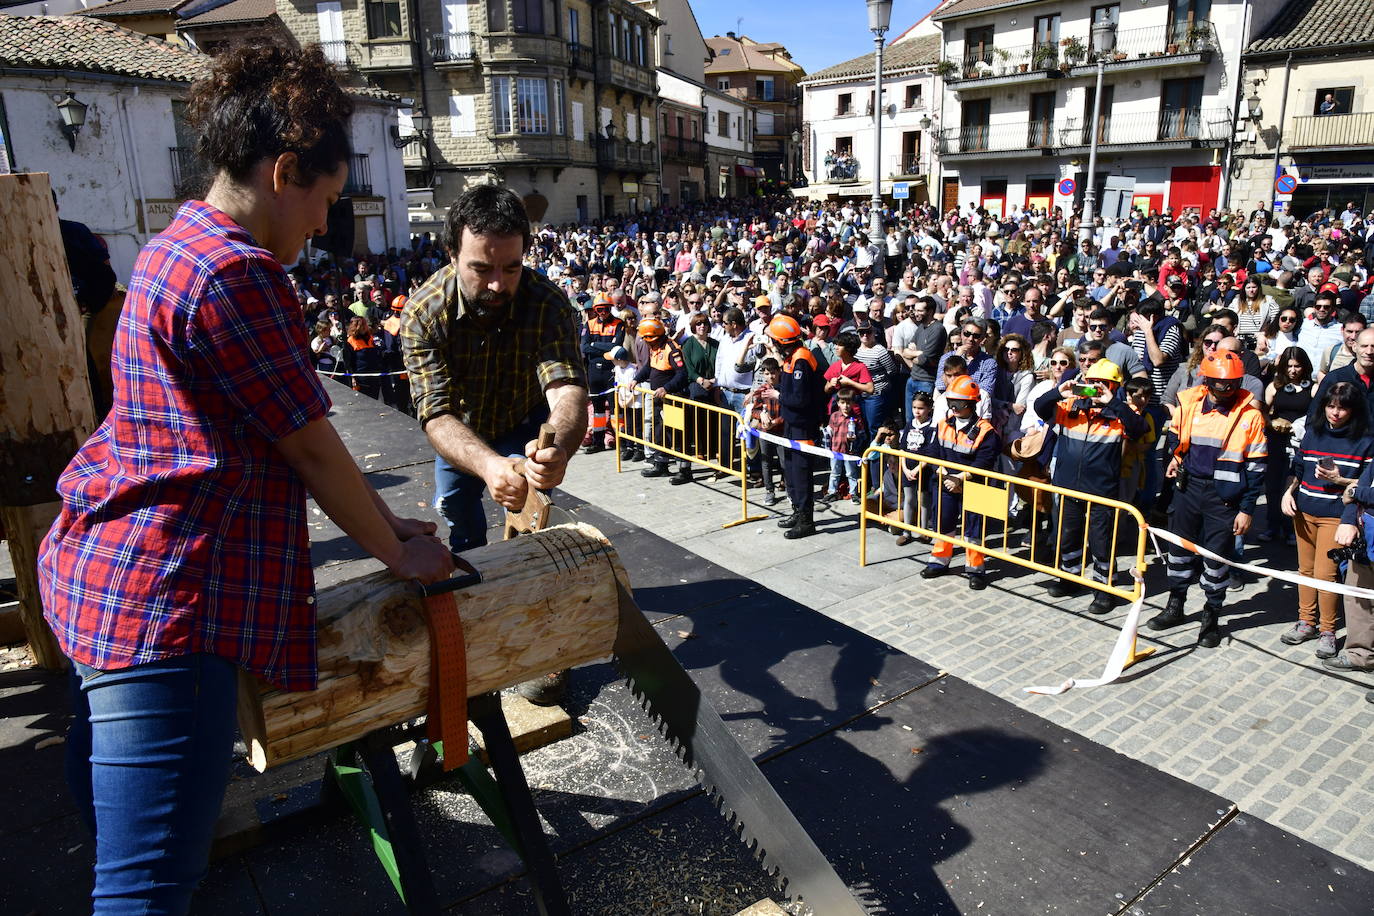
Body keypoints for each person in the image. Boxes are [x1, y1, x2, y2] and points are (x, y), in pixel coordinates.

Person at [36, 44, 454, 915]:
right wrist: (397, 555)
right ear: (284, 170)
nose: (321, 229)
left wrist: (388, 523)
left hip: (102, 581)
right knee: (146, 890)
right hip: (170, 603)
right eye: (324, 203)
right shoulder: (239, 270)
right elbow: (307, 446)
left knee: (123, 842)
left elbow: (288, 434)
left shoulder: (174, 243)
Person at [403, 184, 589, 554]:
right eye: (481, 268)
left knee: (532, 513)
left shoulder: (548, 303)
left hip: (523, 423)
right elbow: (436, 412)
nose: (497, 284)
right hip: (461, 428)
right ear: (452, 255)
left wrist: (560, 451)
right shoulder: (423, 314)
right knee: (456, 508)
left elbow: (567, 389)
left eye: (511, 267)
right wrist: (488, 466)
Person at [1147, 351, 1268, 647]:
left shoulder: (1249, 416)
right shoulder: (1189, 403)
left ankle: (1211, 615)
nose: (1228, 391)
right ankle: (1175, 604)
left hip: (1223, 498)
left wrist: (1247, 509)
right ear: (1209, 381)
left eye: (1234, 384)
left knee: (1215, 560)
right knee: (1178, 552)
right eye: (1222, 385)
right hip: (1187, 490)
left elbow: (1256, 468)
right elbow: (1175, 437)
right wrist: (1176, 457)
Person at [1034, 359, 1144, 614]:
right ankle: (1069, 579)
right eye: (1092, 384)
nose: (1095, 390)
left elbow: (1140, 429)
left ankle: (1105, 590)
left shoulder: (1122, 413)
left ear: (1114, 387)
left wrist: (1113, 403)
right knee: (1068, 536)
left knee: (1101, 541)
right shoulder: (1071, 405)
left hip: (1102, 491)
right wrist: (1057, 391)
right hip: (1068, 486)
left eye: (1103, 385)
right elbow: (1041, 409)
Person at [1280, 382, 1374, 658]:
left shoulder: (1366, 441)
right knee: (1305, 571)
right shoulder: (1313, 433)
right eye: (1330, 406)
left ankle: (1328, 630)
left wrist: (1339, 480)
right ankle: (1306, 622)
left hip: (1336, 516)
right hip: (1304, 511)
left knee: (1326, 575)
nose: (1335, 412)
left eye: (1342, 407)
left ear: (1354, 409)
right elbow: (1298, 468)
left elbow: (1365, 486)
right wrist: (1288, 492)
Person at [918, 374, 1001, 589]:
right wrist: (944, 472)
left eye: (958, 402)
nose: (953, 407)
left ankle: (976, 569)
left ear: (971, 403)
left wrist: (959, 478)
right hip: (945, 481)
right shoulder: (943, 424)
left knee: (975, 529)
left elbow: (984, 461)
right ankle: (938, 561)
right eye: (950, 402)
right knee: (943, 522)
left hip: (977, 485)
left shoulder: (987, 431)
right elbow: (932, 452)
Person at [771, 314, 825, 539]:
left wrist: (778, 394)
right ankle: (797, 510)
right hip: (792, 425)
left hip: (803, 426)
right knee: (791, 472)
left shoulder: (801, 359)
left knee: (801, 474)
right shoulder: (792, 357)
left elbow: (800, 399)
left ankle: (806, 520)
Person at [1263, 346, 1315, 541]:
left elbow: (1317, 415)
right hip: (1276, 441)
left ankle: (1292, 528)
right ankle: (1272, 526)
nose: (1293, 370)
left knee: (1294, 483)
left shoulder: (1313, 388)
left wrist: (1300, 426)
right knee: (1273, 484)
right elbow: (1262, 412)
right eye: (1289, 366)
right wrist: (1272, 422)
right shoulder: (1274, 386)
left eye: (1297, 366)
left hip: (1300, 443)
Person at [633, 316, 692, 483]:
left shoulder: (672, 349)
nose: (649, 343)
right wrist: (636, 379)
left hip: (672, 399)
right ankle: (661, 464)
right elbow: (649, 367)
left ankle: (684, 470)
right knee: (660, 432)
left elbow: (682, 375)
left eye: (651, 340)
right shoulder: (655, 347)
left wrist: (666, 388)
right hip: (658, 400)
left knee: (677, 434)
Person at [581, 293, 625, 454]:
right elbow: (584, 348)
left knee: (615, 410)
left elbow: (617, 347)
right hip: (594, 372)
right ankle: (597, 441)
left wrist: (594, 344)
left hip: (611, 370)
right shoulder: (589, 324)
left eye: (606, 309)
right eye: (599, 310)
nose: (603, 313)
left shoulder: (619, 323)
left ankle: (623, 442)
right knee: (598, 410)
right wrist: (605, 347)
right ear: (595, 310)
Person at [742, 357, 784, 506]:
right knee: (766, 461)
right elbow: (754, 410)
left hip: (781, 431)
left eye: (773, 373)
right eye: (767, 373)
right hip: (764, 431)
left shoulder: (784, 390)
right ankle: (769, 491)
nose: (770, 376)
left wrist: (775, 422)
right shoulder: (761, 390)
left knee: (784, 461)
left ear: (778, 372)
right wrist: (761, 415)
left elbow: (788, 412)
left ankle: (786, 485)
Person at [821, 387, 869, 505]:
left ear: (853, 403)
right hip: (835, 449)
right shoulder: (834, 416)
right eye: (843, 403)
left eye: (848, 402)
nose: (846, 406)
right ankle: (832, 491)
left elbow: (862, 435)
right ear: (838, 403)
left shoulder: (856, 419)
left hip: (850, 452)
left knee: (851, 473)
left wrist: (856, 438)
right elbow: (829, 432)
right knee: (834, 472)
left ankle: (853, 493)